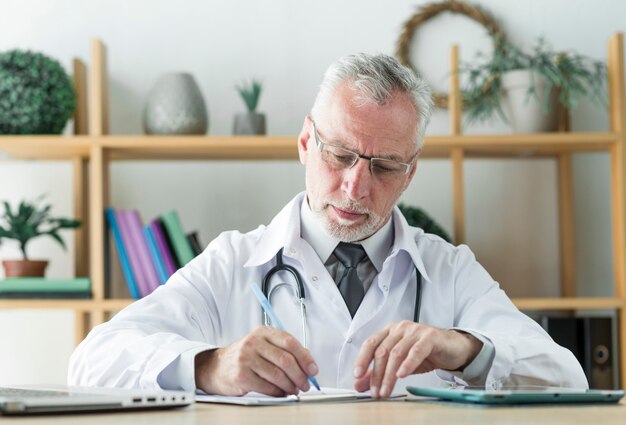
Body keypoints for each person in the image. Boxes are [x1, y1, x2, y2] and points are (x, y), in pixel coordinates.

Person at [68, 53, 588, 398]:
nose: (356, 187)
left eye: (383, 167)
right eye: (340, 155)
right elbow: (91, 364)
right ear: (304, 144)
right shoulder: (232, 262)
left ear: (410, 173)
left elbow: (566, 377)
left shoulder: (449, 270)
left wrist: (464, 348)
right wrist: (210, 366)